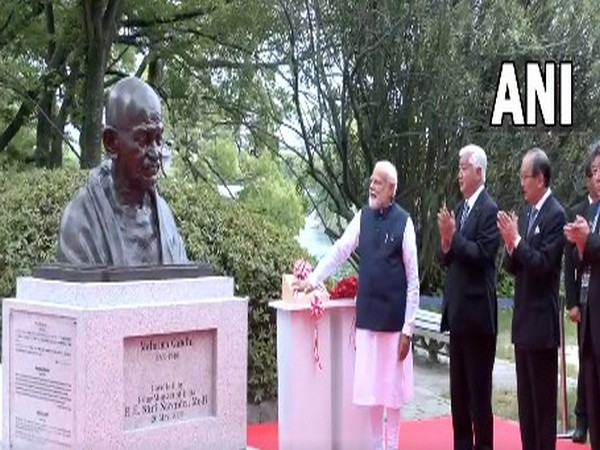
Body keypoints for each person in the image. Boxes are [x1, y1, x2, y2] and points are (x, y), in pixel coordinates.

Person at [293, 160, 419, 450]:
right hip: (368, 322)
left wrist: (408, 329)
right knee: (373, 392)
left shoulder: (405, 222)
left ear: (392, 189)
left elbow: (413, 280)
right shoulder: (363, 217)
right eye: (371, 181)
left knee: (393, 394)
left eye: (378, 182)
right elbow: (339, 251)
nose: (372, 186)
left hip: (395, 325)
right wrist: (312, 279)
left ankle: (393, 446)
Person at [57, 76, 188, 266]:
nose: (155, 153)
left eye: (158, 138)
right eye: (142, 139)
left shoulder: (164, 218)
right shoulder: (81, 221)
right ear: (111, 142)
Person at [497, 148, 566, 450]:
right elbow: (514, 266)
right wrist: (510, 246)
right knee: (526, 408)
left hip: (542, 326)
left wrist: (517, 241)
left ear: (540, 178)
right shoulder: (525, 213)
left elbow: (542, 266)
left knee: (542, 408)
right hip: (523, 323)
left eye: (525, 176)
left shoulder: (556, 214)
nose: (521, 182)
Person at [438, 144, 500, 450]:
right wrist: (446, 242)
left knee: (478, 397)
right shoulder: (460, 209)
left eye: (463, 167)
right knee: (458, 396)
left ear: (478, 170)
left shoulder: (490, 210)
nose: (459, 174)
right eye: (459, 168)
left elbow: (482, 255)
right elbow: (449, 258)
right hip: (458, 316)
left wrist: (456, 237)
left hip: (478, 319)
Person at [564, 142, 600, 450]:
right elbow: (576, 260)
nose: (599, 176)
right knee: (590, 379)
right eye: (596, 170)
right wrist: (579, 245)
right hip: (590, 310)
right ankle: (583, 422)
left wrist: (587, 242)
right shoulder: (586, 210)